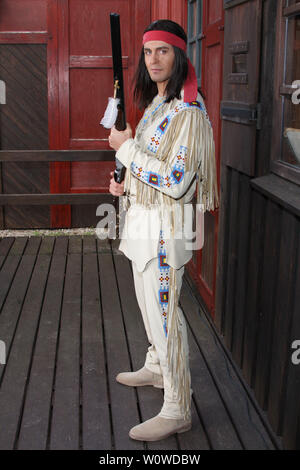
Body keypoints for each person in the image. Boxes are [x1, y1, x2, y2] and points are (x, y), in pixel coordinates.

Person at [108, 19, 219, 442]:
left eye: (164, 51)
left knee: (166, 317)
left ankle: (177, 407)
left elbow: (178, 181)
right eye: (148, 51)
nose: (154, 60)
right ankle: (157, 367)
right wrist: (123, 181)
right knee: (149, 310)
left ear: (179, 55)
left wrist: (129, 149)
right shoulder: (157, 105)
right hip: (143, 225)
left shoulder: (188, 112)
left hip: (166, 232)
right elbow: (145, 167)